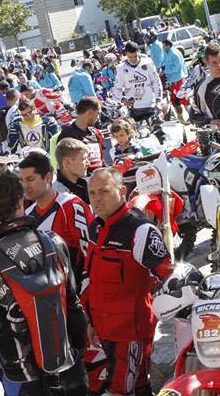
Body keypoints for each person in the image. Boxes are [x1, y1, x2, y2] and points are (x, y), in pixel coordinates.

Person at [0, 168, 88, 396]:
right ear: (22, 199)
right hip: (69, 365)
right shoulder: (53, 242)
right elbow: (73, 302)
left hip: (21, 375)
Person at [84, 167, 173, 396]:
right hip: (104, 329)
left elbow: (167, 275)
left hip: (131, 333)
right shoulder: (96, 226)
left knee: (120, 391)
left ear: (122, 190)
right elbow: (93, 278)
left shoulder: (140, 229)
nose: (96, 198)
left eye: (103, 191)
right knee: (138, 388)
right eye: (92, 193)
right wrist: (91, 320)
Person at [112, 42, 163, 122]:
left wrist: (158, 101)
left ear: (138, 51)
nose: (133, 59)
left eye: (135, 56)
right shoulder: (121, 68)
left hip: (151, 105)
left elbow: (156, 82)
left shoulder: (148, 63)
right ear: (126, 54)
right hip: (134, 109)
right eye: (130, 57)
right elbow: (116, 89)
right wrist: (122, 99)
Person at [55, 96, 106, 170]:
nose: (98, 118)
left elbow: (101, 162)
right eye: (98, 114)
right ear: (90, 112)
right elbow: (64, 167)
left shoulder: (96, 133)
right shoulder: (67, 136)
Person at [53, 138, 91, 204]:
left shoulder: (84, 185)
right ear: (67, 162)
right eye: (83, 159)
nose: (88, 163)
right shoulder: (59, 195)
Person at [160, 38, 188, 121]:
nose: (163, 48)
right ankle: (181, 118)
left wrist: (165, 71)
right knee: (175, 101)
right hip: (172, 81)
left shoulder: (175, 54)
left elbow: (177, 67)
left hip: (179, 80)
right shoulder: (167, 53)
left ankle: (190, 117)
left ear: (168, 45)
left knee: (184, 100)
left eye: (164, 46)